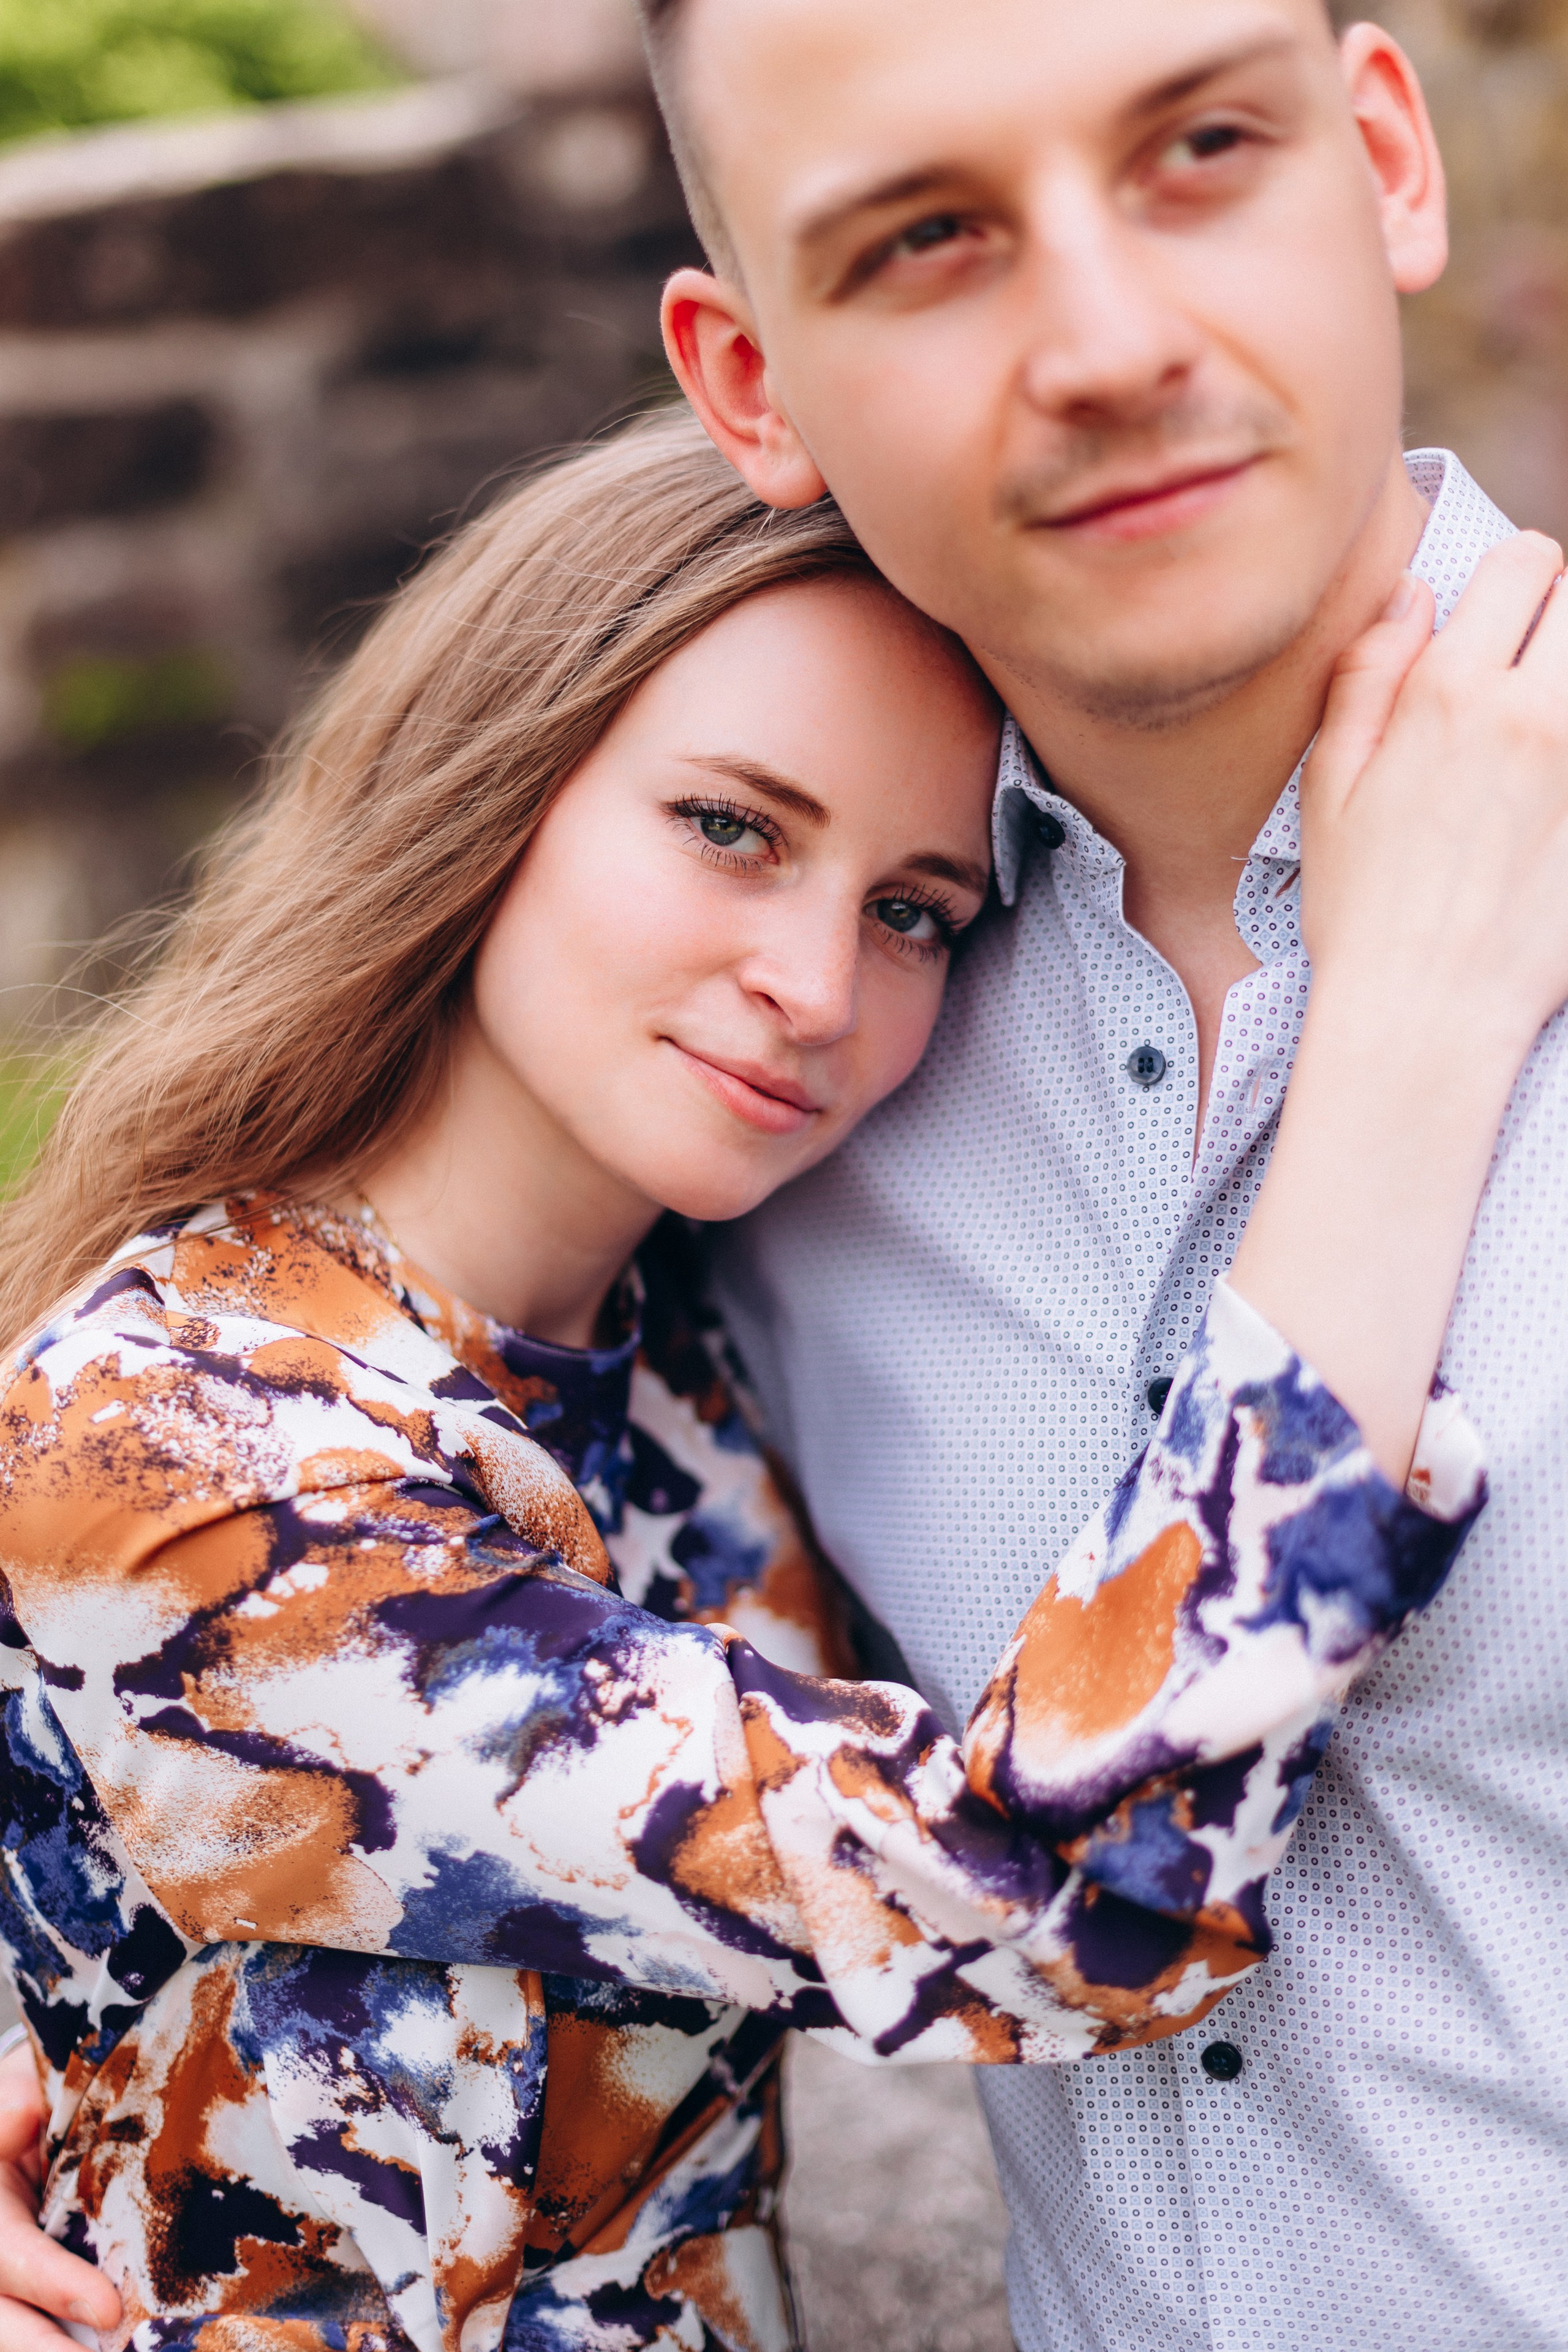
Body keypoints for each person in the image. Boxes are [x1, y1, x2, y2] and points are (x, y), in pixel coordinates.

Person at [0, 390, 1565, 2352]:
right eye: (731, 828)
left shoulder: (680, 1344)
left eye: (914, 910)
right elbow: (1047, 1896)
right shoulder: (186, 1440)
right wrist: (1412, 1014)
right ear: (485, 785)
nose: (817, 990)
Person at [610, 0, 1566, 2345]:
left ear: (1382, 159)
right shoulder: (765, 1038)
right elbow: (354, 1521)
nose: (1113, 343)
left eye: (1203, 149)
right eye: (929, 240)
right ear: (754, 387)